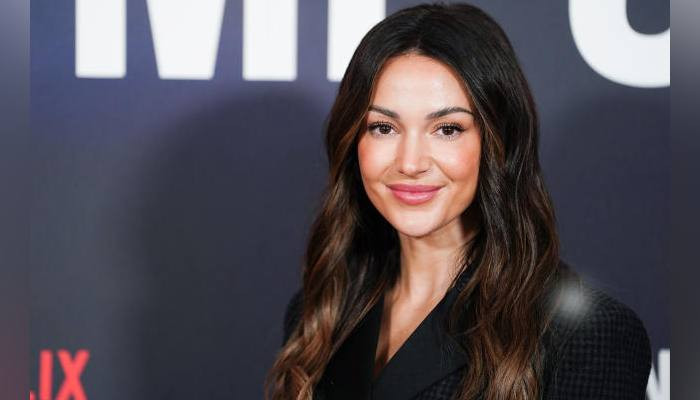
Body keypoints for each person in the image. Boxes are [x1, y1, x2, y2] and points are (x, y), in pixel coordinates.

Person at [264, 3, 652, 399]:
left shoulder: (585, 336)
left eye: (447, 129)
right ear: (352, 139)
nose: (410, 163)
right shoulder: (322, 311)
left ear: (499, 141)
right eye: (383, 127)